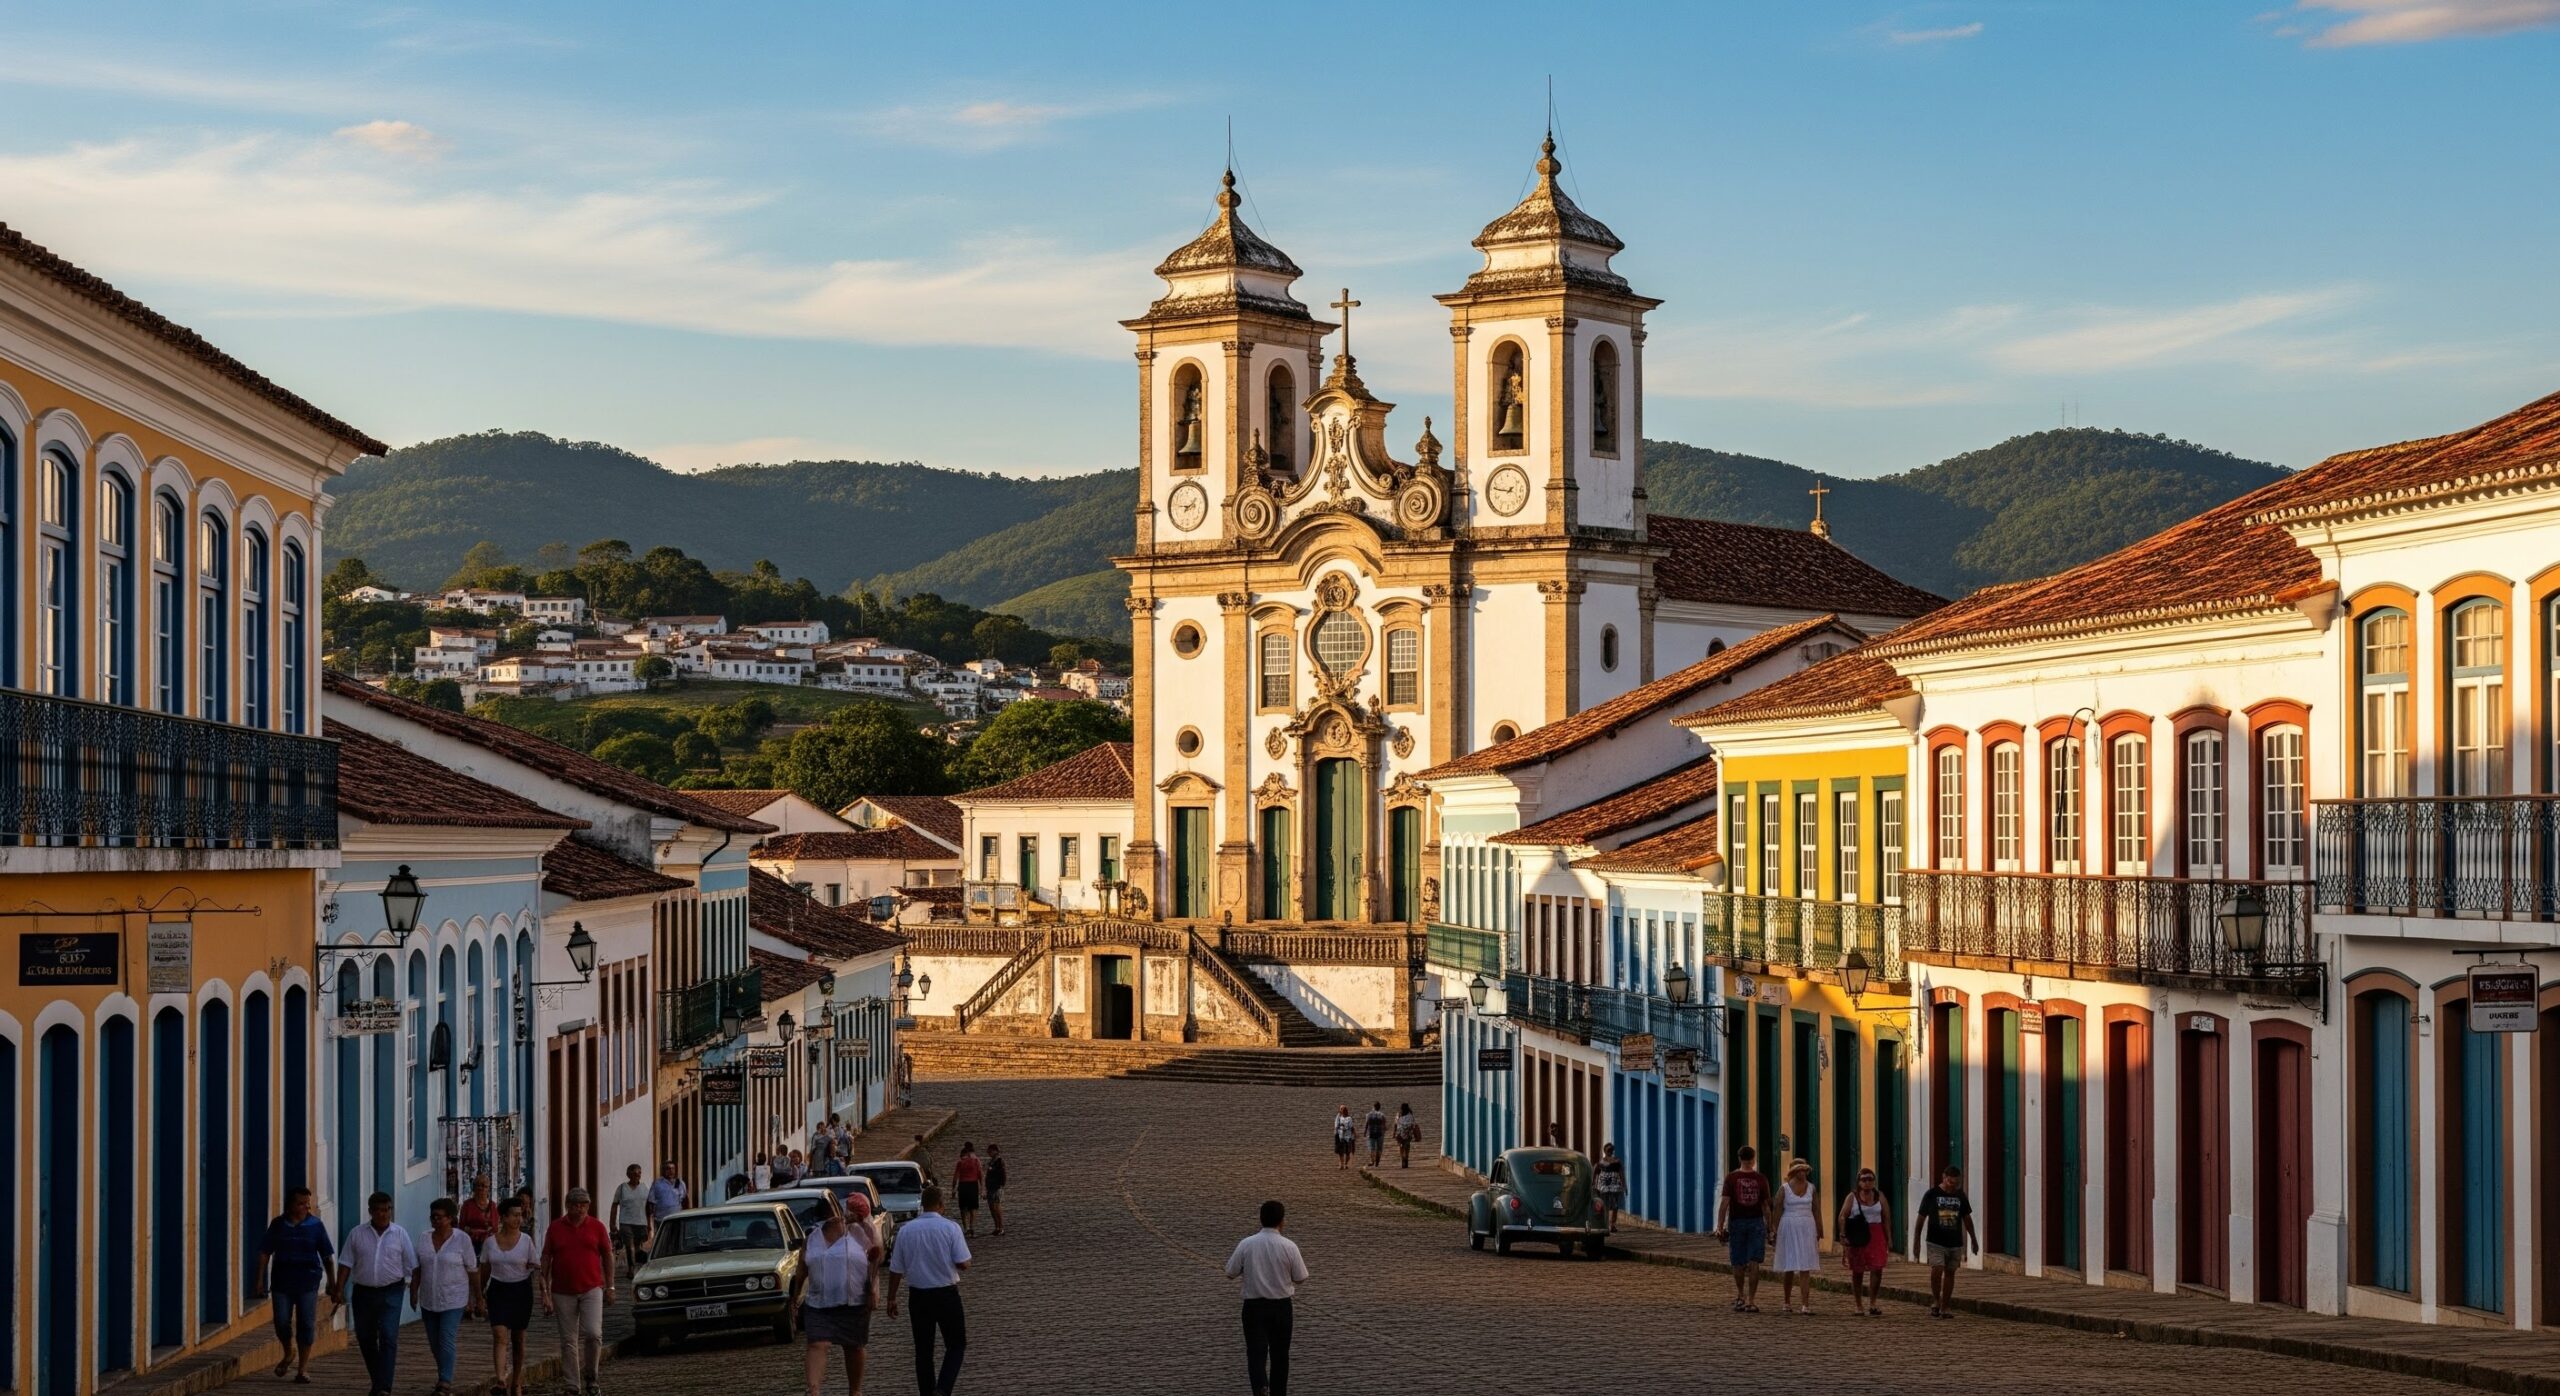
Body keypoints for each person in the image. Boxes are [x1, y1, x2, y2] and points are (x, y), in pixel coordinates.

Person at [885, 1184, 971, 1396]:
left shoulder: (905, 1231)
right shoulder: (950, 1228)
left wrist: (891, 1298)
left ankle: (927, 1392)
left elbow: (896, 1269)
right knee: (956, 1344)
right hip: (946, 1293)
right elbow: (963, 1262)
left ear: (923, 1205)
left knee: (923, 1350)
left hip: (919, 1296)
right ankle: (942, 1388)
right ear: (941, 1205)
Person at [331, 1191, 416, 1396]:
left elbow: (412, 1265)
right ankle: (379, 1381)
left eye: (387, 1210)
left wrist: (413, 1291)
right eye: (378, 1210)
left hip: (392, 1291)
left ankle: (383, 1387)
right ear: (370, 1211)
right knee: (366, 1337)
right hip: (363, 1292)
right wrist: (339, 1289)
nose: (383, 1214)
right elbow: (345, 1263)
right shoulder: (357, 1234)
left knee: (388, 1335)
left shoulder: (400, 1234)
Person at [797, 1192, 879, 1396]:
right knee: (818, 1343)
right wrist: (795, 1297)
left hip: (854, 1301)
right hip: (818, 1303)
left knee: (853, 1347)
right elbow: (801, 1268)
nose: (834, 1217)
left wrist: (873, 1290)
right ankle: (813, 1390)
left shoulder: (861, 1233)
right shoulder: (812, 1238)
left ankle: (855, 1391)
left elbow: (875, 1260)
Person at [539, 1187, 617, 1396]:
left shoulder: (597, 1227)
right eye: (576, 1204)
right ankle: (572, 1384)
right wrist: (544, 1290)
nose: (581, 1208)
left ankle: (592, 1376)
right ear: (568, 1206)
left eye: (584, 1204)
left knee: (593, 1333)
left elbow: (608, 1256)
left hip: (592, 1287)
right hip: (562, 1291)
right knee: (568, 1340)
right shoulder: (556, 1228)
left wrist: (610, 1286)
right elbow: (546, 1257)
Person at [1225, 1200, 1306, 1396]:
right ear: (1282, 1221)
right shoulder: (1289, 1246)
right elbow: (1301, 1277)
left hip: (1254, 1307)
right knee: (1280, 1355)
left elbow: (1230, 1272)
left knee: (1256, 1353)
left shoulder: (1247, 1244)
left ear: (1260, 1220)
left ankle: (1261, 1388)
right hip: (1281, 1307)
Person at [254, 1185, 335, 1383]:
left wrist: (332, 1282)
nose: (306, 1207)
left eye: (308, 1204)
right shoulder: (278, 1225)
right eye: (301, 1204)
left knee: (306, 1323)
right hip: (282, 1281)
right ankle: (288, 1350)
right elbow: (265, 1252)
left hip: (308, 1281)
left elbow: (326, 1255)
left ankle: (303, 1369)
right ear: (290, 1206)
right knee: (282, 1321)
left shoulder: (316, 1225)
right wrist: (259, 1280)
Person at [415, 1197, 478, 1396]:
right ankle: (443, 1371)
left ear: (450, 1218)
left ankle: (445, 1381)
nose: (435, 1221)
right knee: (434, 1342)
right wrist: (413, 1291)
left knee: (446, 1338)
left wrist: (478, 1297)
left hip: (454, 1297)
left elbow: (472, 1269)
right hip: (429, 1298)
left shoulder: (462, 1239)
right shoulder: (424, 1238)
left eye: (439, 1217)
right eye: (432, 1217)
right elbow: (418, 1267)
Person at [478, 1198, 539, 1396]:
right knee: (499, 1334)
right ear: (503, 1217)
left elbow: (535, 1266)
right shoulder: (490, 1242)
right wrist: (479, 1295)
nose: (517, 1219)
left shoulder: (526, 1241)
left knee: (518, 1338)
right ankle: (501, 1380)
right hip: (498, 1290)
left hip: (521, 1291)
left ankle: (517, 1380)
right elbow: (484, 1269)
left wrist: (545, 1292)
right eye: (513, 1215)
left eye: (520, 1215)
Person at [1913, 1165, 1980, 1319]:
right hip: (1935, 1241)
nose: (1952, 1187)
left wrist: (1973, 1239)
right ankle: (1936, 1299)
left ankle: (1945, 1306)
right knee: (1937, 1269)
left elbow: (1967, 1219)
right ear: (1944, 1178)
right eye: (1950, 1183)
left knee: (1950, 1273)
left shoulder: (1960, 1196)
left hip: (1955, 1242)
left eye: (1955, 1184)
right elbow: (1921, 1218)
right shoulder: (1931, 1195)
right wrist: (1916, 1241)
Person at [1713, 1146, 1772, 1314]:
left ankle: (1740, 1295)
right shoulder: (1761, 1179)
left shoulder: (1731, 1178)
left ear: (1739, 1159)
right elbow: (1766, 1207)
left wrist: (1719, 1226)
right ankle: (1752, 1301)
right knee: (1754, 1262)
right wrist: (1771, 1228)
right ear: (1753, 1159)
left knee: (1737, 1261)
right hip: (1756, 1223)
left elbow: (1724, 1203)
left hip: (1736, 1222)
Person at [1838, 1167, 1893, 1317]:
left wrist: (1889, 1238)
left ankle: (1873, 1302)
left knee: (1877, 1268)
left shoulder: (1879, 1196)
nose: (1867, 1182)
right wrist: (1843, 1235)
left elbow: (1886, 1218)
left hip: (1877, 1235)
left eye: (1870, 1179)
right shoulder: (1852, 1197)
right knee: (1858, 1270)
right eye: (1864, 1179)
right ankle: (1858, 1304)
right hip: (1858, 1235)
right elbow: (1843, 1216)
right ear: (1859, 1182)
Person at [1773, 1158, 1823, 1315]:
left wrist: (1819, 1229)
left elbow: (1816, 1209)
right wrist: (1773, 1230)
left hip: (1807, 1226)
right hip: (1789, 1226)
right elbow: (1778, 1210)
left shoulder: (1811, 1188)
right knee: (1789, 1265)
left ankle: (1805, 1304)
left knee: (1805, 1266)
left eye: (1805, 1170)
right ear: (1793, 1172)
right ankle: (1787, 1300)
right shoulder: (1784, 1189)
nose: (1803, 1173)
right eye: (1800, 1170)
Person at [610, 1164, 652, 1269]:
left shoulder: (644, 1188)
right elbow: (615, 1205)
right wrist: (612, 1223)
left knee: (637, 1247)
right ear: (628, 1175)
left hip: (641, 1222)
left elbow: (648, 1207)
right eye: (634, 1173)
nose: (637, 1175)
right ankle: (631, 1268)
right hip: (626, 1222)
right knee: (629, 1246)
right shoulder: (622, 1188)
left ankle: (640, 1263)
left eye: (639, 1173)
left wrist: (649, 1224)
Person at [647, 1159, 688, 1237]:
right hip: (662, 1221)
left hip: (677, 1219)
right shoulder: (657, 1184)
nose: (671, 1171)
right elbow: (650, 1204)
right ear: (663, 1170)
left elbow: (685, 1201)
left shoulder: (680, 1183)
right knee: (664, 1243)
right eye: (668, 1169)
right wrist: (650, 1223)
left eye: (673, 1168)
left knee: (676, 1242)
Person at [459, 1173, 500, 1251]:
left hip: (489, 1245)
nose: (481, 1188)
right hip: (470, 1245)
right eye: (478, 1185)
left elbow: (495, 1228)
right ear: (473, 1188)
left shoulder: (493, 1206)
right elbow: (461, 1227)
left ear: (488, 1188)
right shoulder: (467, 1205)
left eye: (484, 1186)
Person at [952, 1142, 985, 1236]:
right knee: (973, 1208)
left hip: (963, 1185)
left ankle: (966, 1228)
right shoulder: (976, 1161)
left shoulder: (960, 1162)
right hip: (973, 1185)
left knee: (963, 1208)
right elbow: (980, 1175)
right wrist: (982, 1188)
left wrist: (953, 1189)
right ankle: (972, 1227)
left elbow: (955, 1177)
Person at [1594, 1143, 1627, 1233]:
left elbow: (1621, 1173)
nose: (1610, 1152)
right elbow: (1595, 1172)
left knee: (1615, 1206)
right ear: (1604, 1151)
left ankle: (1612, 1224)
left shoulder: (1617, 1161)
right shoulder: (1601, 1162)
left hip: (1615, 1185)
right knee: (1605, 1205)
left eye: (1611, 1150)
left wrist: (1624, 1186)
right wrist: (1594, 1185)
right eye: (1608, 1150)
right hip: (1604, 1186)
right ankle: (1605, 1223)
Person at [984, 1144, 1008, 1237]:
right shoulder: (991, 1161)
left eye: (990, 1151)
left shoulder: (999, 1161)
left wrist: (1001, 1185)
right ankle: (996, 1227)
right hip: (990, 1187)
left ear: (995, 1151)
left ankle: (1001, 1227)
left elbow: (1003, 1174)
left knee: (997, 1207)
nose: (988, 1153)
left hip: (996, 1187)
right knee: (991, 1208)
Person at [1392, 1104, 1419, 1169]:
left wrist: (1394, 1133)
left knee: (1401, 1146)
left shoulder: (1398, 1115)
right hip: (1408, 1134)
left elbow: (1395, 1124)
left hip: (1400, 1134)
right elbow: (1413, 1125)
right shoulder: (1410, 1116)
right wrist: (1416, 1135)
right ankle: (1406, 1157)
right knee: (1407, 1146)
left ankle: (1402, 1158)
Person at [1330, 1106, 1355, 1171]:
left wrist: (1354, 1135)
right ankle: (1341, 1165)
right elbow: (1336, 1126)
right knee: (1341, 1152)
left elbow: (1352, 1127)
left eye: (1343, 1110)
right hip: (1341, 1137)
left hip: (1348, 1138)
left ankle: (1345, 1164)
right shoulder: (1339, 1117)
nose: (1342, 1111)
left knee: (1347, 1153)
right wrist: (1336, 1133)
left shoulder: (1349, 1118)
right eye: (1341, 1109)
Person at [1363, 1102, 1387, 1167]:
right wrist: (1384, 1130)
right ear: (1379, 1107)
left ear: (1373, 1107)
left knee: (1372, 1148)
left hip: (1371, 1133)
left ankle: (1372, 1161)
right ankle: (1377, 1161)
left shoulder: (1368, 1115)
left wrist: (1365, 1132)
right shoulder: (1382, 1115)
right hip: (1380, 1133)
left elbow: (1367, 1124)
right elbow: (1384, 1125)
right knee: (1379, 1148)